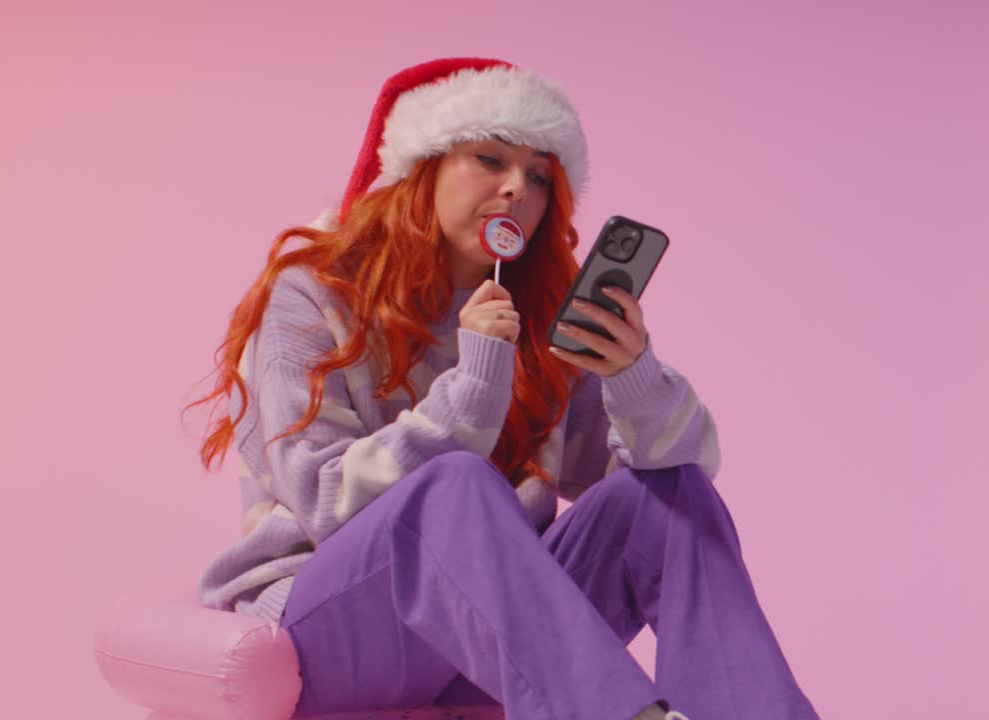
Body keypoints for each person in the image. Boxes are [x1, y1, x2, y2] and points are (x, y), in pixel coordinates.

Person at [186, 57, 820, 720]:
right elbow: (321, 500)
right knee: (455, 482)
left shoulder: (536, 318)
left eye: (539, 175)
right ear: (422, 168)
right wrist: (475, 382)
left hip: (490, 637)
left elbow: (664, 473)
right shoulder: (311, 296)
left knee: (667, 492)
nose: (517, 187)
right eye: (490, 159)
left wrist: (632, 376)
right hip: (332, 631)